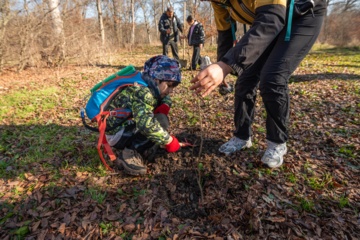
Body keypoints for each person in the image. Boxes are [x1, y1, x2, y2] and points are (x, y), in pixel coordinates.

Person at [190, 0, 326, 168]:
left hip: (301, 17)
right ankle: (242, 137)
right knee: (245, 78)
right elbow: (225, 32)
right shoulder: (219, 2)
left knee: (273, 78)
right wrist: (222, 62)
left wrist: (226, 66)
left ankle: (277, 143)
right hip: (272, 21)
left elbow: (271, 19)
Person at [105, 55, 182, 176]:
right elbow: (146, 125)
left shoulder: (148, 84)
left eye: (174, 86)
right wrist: (169, 141)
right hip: (117, 134)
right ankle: (129, 153)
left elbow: (164, 97)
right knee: (158, 123)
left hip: (121, 126)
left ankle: (139, 146)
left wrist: (164, 106)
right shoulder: (143, 92)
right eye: (169, 85)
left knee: (160, 120)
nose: (171, 90)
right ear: (157, 79)